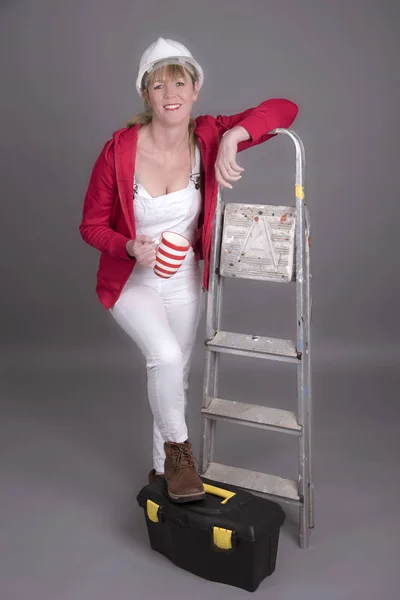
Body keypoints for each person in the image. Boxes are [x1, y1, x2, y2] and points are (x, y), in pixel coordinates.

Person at [79, 37, 298, 503]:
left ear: (195, 89)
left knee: (174, 373)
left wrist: (236, 137)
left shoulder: (210, 135)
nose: (170, 93)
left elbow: (285, 108)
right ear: (146, 94)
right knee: (164, 355)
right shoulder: (118, 151)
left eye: (179, 82)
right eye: (159, 85)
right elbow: (91, 226)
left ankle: (162, 473)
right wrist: (126, 245)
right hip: (131, 280)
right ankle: (181, 454)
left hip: (183, 279)